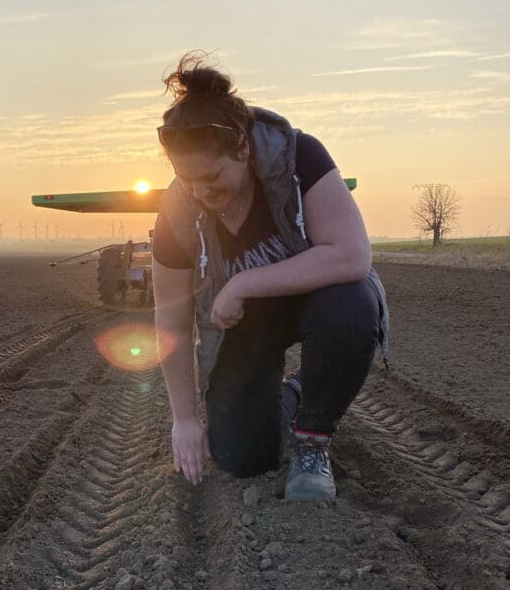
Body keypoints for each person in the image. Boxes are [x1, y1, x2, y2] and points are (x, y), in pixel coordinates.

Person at [152, 52, 388, 501]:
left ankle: (311, 442)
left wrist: (242, 283)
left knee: (351, 307)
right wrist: (184, 418)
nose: (202, 193)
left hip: (319, 299)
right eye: (189, 181)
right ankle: (290, 398)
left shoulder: (300, 158)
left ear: (242, 147)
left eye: (213, 176)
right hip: (246, 326)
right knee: (241, 458)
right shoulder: (177, 210)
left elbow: (351, 255)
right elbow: (170, 318)